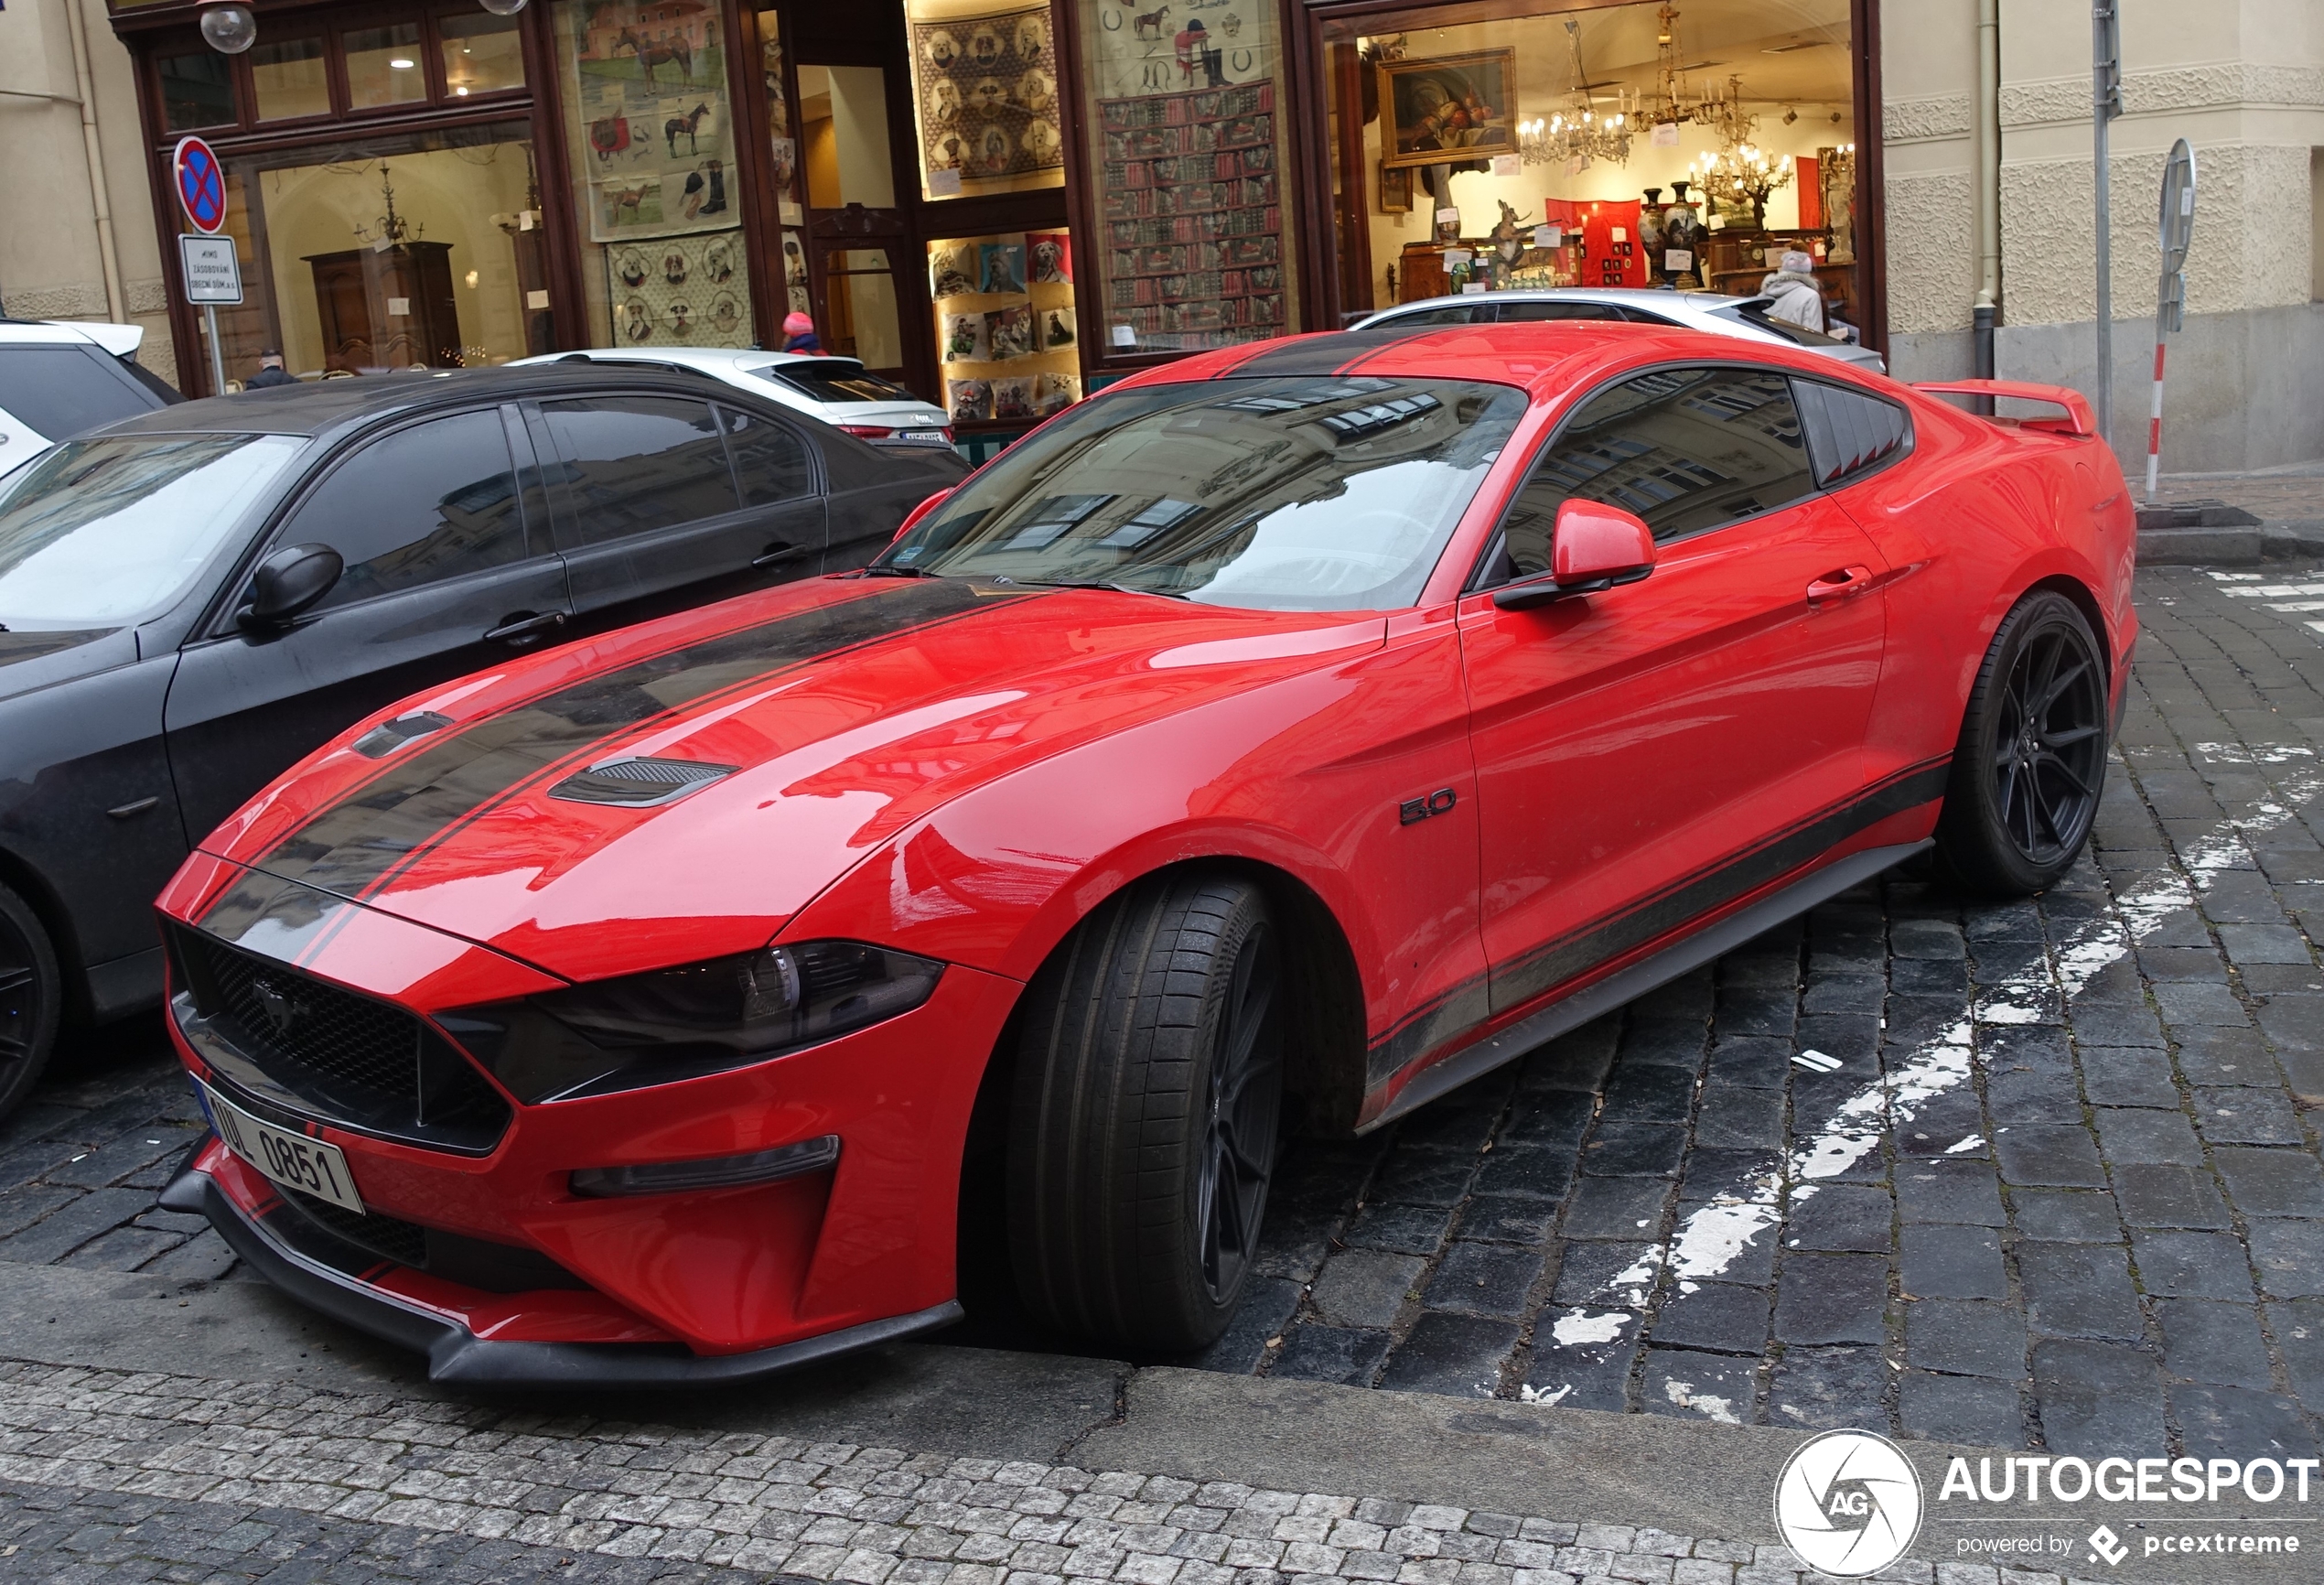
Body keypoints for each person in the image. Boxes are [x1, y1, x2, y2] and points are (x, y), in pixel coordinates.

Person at [1758, 250, 1826, 333]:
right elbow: (1814, 335)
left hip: (1769, 345)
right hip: (1795, 345)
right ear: (1808, 272)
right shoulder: (1811, 296)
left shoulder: (1763, 295)